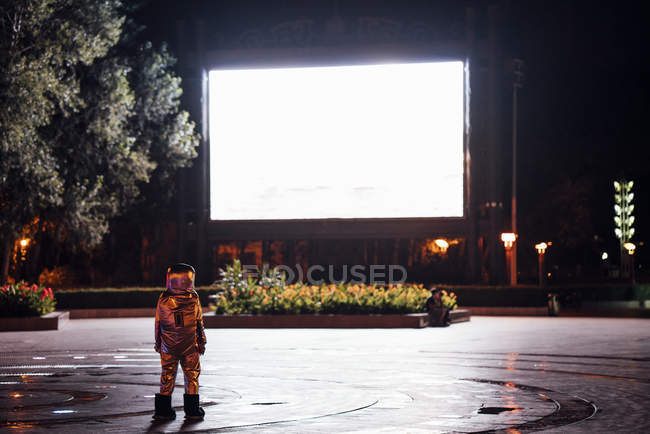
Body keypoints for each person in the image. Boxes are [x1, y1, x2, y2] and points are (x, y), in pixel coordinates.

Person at [153, 263, 207, 420]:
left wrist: (157, 342)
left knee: (167, 375)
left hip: (168, 345)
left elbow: (158, 323)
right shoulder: (193, 297)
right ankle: (192, 410)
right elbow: (199, 322)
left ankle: (163, 411)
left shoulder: (163, 298)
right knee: (192, 375)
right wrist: (202, 342)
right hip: (189, 345)